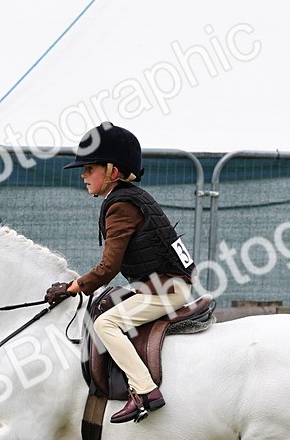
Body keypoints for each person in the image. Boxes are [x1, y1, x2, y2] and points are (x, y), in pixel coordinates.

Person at [46, 122, 196, 424]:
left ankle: (145, 391)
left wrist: (72, 287)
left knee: (106, 324)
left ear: (112, 171)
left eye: (89, 168)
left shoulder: (121, 205)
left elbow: (107, 268)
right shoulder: (128, 197)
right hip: (160, 285)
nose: (83, 175)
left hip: (165, 289)